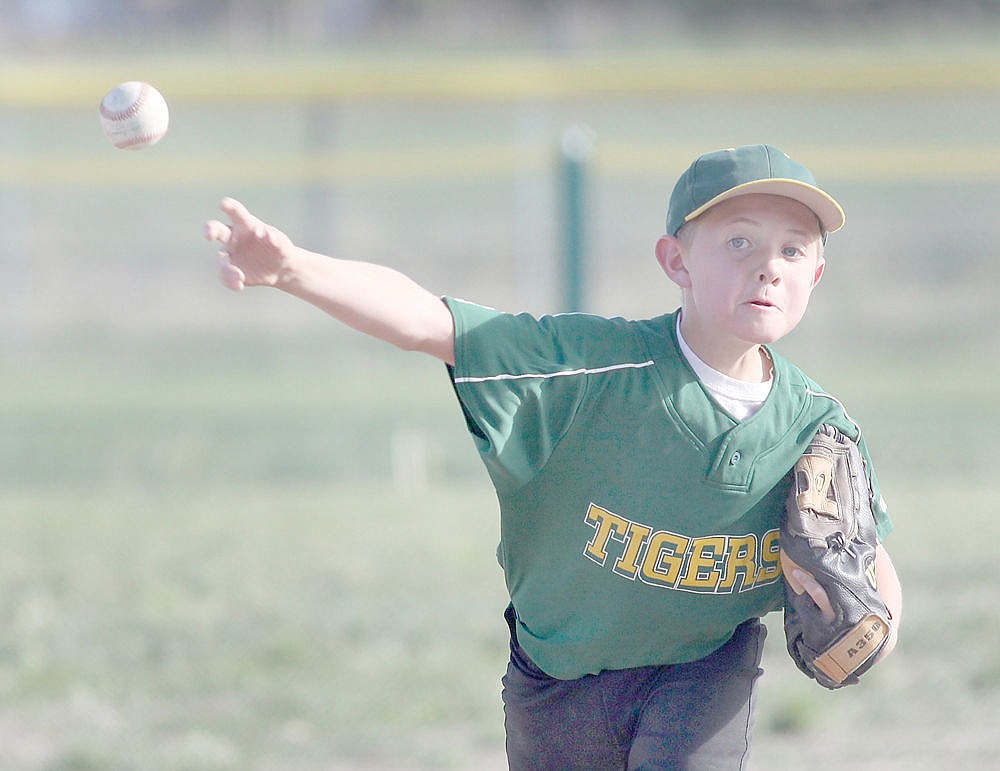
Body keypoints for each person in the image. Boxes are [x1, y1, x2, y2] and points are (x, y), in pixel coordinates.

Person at [204, 143, 902, 769]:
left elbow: (863, 555)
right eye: (740, 241)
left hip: (705, 668)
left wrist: (877, 626)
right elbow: (429, 323)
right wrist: (293, 269)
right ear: (676, 261)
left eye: (792, 251)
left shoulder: (819, 428)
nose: (768, 268)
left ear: (816, 275)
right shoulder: (589, 369)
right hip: (563, 672)